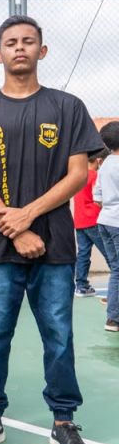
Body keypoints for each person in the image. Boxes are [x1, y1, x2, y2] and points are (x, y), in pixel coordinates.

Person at [0, 15, 102, 444]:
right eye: (11, 42)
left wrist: (29, 217)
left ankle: (63, 421)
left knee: (58, 334)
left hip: (53, 244)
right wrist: (15, 228)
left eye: (29, 41)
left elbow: (78, 173)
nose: (20, 48)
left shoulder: (68, 106)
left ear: (43, 51)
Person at [94, 124, 119, 331]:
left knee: (116, 270)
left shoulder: (105, 164)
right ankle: (113, 317)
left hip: (104, 221)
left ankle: (113, 317)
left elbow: (98, 199)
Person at [76, 147, 109, 297]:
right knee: (110, 253)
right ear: (99, 160)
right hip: (94, 220)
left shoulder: (79, 176)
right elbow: (99, 198)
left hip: (79, 221)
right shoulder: (95, 176)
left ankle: (81, 285)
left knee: (83, 253)